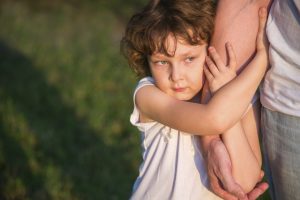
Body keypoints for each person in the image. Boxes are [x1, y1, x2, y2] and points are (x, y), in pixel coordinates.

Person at [121, 0, 268, 199]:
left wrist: (226, 95)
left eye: (189, 59)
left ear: (210, 50)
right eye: (162, 62)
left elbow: (245, 181)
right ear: (146, 59)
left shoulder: (241, 99)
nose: (176, 75)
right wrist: (262, 61)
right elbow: (213, 119)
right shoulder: (148, 95)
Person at [201, 0, 300, 200]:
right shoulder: (146, 98)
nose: (176, 76)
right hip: (293, 102)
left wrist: (262, 59)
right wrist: (211, 139)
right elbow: (243, 181)